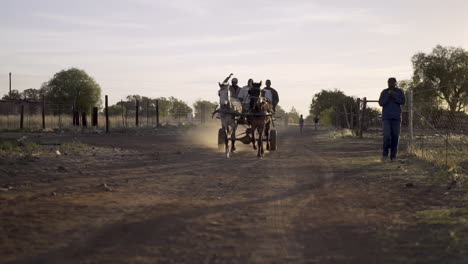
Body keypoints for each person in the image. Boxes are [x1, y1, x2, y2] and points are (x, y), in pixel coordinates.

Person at [379, 77, 406, 161]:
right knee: (387, 136)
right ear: (388, 83)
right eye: (390, 83)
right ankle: (385, 154)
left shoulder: (400, 92)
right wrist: (388, 96)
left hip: (396, 117)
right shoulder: (384, 92)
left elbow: (403, 102)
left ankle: (393, 156)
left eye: (393, 83)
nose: (391, 84)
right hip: (386, 117)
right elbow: (381, 103)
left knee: (395, 136)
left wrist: (395, 97)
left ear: (396, 83)